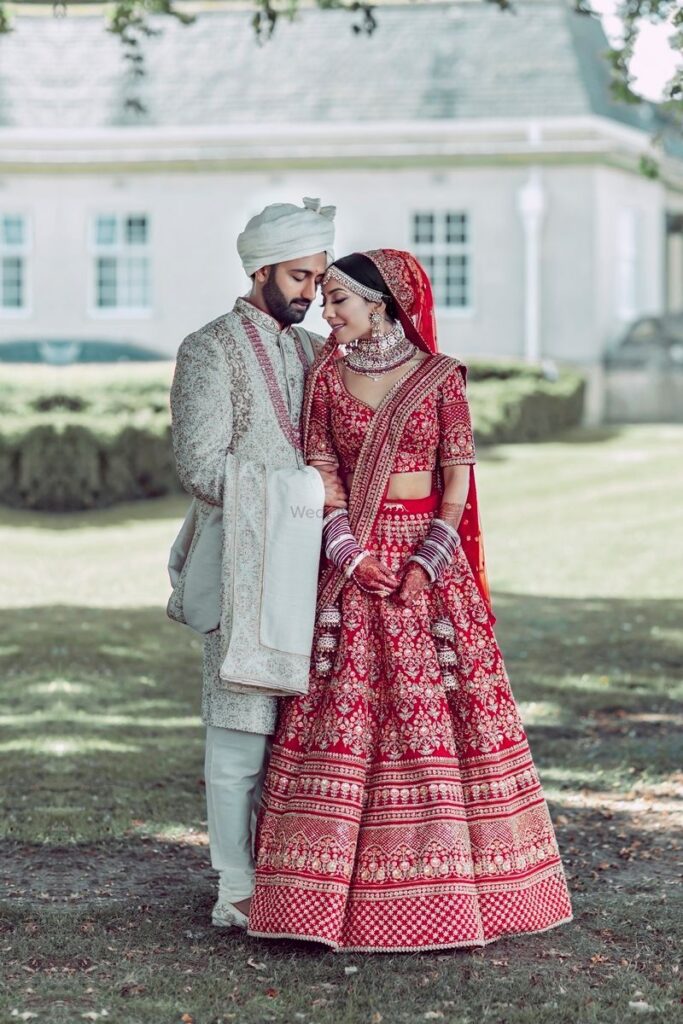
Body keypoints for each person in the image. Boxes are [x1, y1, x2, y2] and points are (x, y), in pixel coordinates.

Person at [247, 249, 573, 952]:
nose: (327, 312)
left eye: (339, 299)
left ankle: (468, 888)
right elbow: (322, 472)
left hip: (428, 562)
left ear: (382, 304)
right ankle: (315, 899)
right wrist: (348, 554)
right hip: (354, 560)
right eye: (325, 298)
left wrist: (427, 560)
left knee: (443, 717)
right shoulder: (328, 378)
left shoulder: (439, 379)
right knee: (346, 714)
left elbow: (456, 480)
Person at [168, 198, 346, 931]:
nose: (310, 293)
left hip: (314, 565)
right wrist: (301, 491)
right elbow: (199, 465)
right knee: (240, 725)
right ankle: (234, 887)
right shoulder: (208, 348)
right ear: (260, 269)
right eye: (299, 277)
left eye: (318, 278)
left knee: (302, 728)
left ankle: (292, 871)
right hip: (241, 563)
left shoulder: (310, 352)